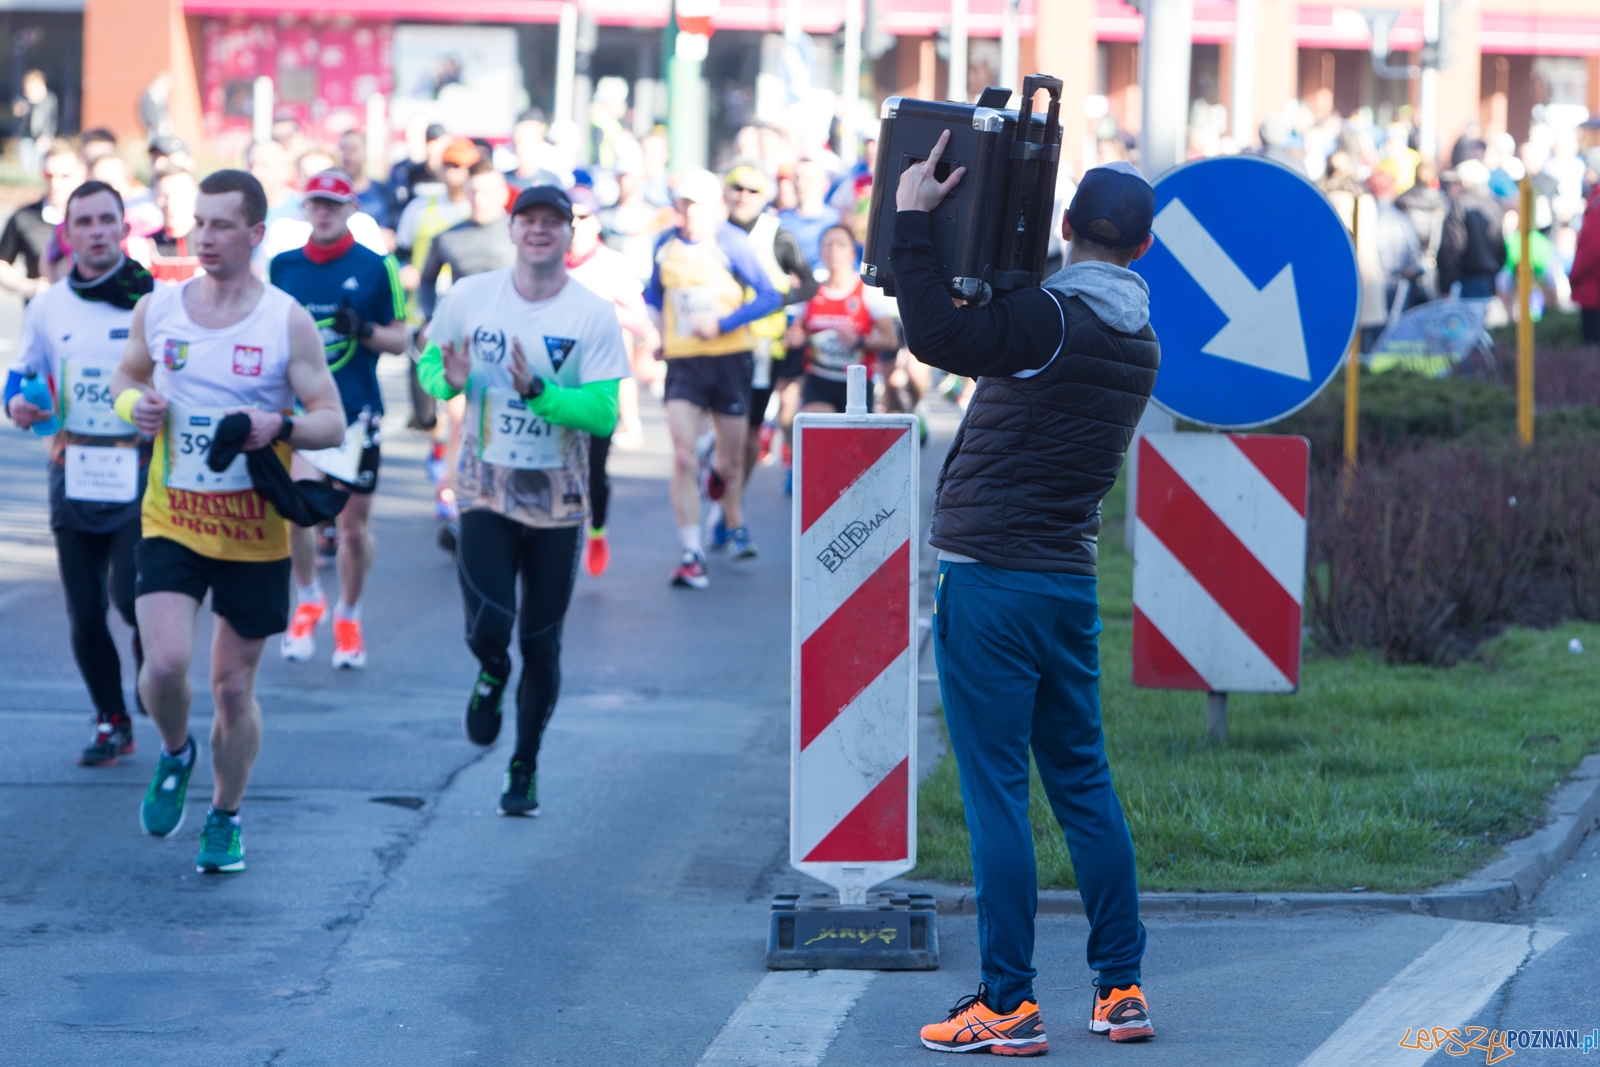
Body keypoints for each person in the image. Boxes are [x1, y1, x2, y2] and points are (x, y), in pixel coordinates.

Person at [894, 138, 1160, 1054]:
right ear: (1144, 251)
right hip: (1066, 584)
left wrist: (912, 219)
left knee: (997, 793)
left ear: (1065, 228)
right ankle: (1120, 987)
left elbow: (932, 334)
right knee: (1083, 783)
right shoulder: (1140, 338)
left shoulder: (1046, 319)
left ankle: (1005, 1001)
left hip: (990, 581)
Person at [108, 169, 345, 874]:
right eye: (199, 223)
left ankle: (225, 813)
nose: (203, 237)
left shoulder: (285, 319)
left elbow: (330, 421)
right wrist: (134, 408)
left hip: (253, 533)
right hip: (171, 517)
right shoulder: (161, 308)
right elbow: (126, 376)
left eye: (220, 225)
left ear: (255, 234)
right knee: (165, 666)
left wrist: (280, 423)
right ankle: (176, 751)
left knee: (233, 688)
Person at [414, 185, 627, 816]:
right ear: (511, 230)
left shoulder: (591, 312)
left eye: (552, 222)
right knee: (490, 626)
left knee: (541, 642)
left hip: (558, 502)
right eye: (528, 220)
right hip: (484, 489)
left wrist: (540, 394)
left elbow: (605, 414)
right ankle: (489, 672)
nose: (539, 231)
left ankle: (524, 765)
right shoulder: (470, 296)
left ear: (570, 234)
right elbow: (432, 363)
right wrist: (443, 381)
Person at [4, 180, 154, 766]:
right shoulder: (48, 304)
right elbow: (22, 377)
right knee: (85, 609)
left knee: (129, 598)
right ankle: (110, 719)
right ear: (69, 232)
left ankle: (153, 668)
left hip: (139, 471)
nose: (95, 232)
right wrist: (18, 403)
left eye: (105, 221)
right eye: (83, 222)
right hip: (73, 467)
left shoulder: (156, 300)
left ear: (123, 228)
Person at [269, 169, 409, 668]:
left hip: (357, 411)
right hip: (303, 413)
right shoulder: (283, 267)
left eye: (333, 203)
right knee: (300, 511)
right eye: (315, 203)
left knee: (352, 530)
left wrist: (365, 328)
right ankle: (307, 598)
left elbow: (402, 339)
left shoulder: (376, 267)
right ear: (305, 209)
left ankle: (349, 614)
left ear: (352, 209)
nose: (323, 212)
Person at [644, 169, 783, 587]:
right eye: (682, 203)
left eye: (695, 204)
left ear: (713, 206)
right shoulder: (664, 244)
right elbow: (652, 294)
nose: (687, 212)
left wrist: (722, 323)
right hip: (684, 363)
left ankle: (725, 500)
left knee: (730, 460)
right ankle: (691, 551)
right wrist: (655, 334)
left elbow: (771, 296)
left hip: (730, 360)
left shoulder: (729, 242)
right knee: (682, 457)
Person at [565, 186, 658, 575]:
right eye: (567, 216)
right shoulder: (547, 260)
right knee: (557, 462)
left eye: (583, 216)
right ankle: (559, 537)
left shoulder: (612, 264)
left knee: (594, 467)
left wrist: (598, 312)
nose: (574, 224)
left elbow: (639, 321)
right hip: (554, 378)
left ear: (597, 220)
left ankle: (597, 529)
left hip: (598, 380)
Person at [722, 165, 817, 489]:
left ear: (764, 197)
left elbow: (809, 285)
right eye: (737, 188)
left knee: (748, 435)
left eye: (752, 191)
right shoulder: (712, 230)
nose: (743, 196)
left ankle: (730, 505)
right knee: (719, 432)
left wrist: (777, 300)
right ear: (726, 191)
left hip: (762, 348)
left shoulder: (777, 235)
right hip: (715, 345)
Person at [785, 224, 898, 413]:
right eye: (827, 245)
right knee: (820, 429)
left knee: (852, 441)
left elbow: (891, 340)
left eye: (841, 244)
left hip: (857, 382)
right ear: (820, 252)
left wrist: (859, 341)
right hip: (819, 379)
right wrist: (797, 337)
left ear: (853, 253)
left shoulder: (867, 291)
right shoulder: (811, 291)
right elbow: (796, 332)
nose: (833, 250)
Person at [0, 138, 84, 300]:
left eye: (64, 175)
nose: (55, 183)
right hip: (41, 309)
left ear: (81, 174)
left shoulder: (93, 217)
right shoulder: (24, 216)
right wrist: (27, 286)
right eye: (49, 175)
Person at [778, 158, 842, 272]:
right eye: (797, 178)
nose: (800, 184)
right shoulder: (780, 221)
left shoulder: (838, 220)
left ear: (825, 183)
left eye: (808, 178)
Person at [338, 129, 401, 239]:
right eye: (343, 149)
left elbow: (398, 233)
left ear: (365, 152)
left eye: (353, 149)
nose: (347, 155)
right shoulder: (331, 195)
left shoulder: (385, 192)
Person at [151, 163, 202, 283]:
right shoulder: (141, 249)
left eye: (180, 195)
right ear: (154, 198)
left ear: (196, 196)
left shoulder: (215, 244)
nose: (171, 204)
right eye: (164, 196)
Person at [1571, 172, 1600, 346]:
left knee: (1592, 346)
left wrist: (1574, 274)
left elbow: (1592, 248)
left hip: (1592, 285)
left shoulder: (1596, 202)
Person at [10, 69, 58, 172]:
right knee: (26, 167)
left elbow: (51, 120)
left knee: (39, 166)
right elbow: (18, 112)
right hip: (27, 136)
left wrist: (46, 136)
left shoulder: (49, 99)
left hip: (42, 137)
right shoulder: (26, 99)